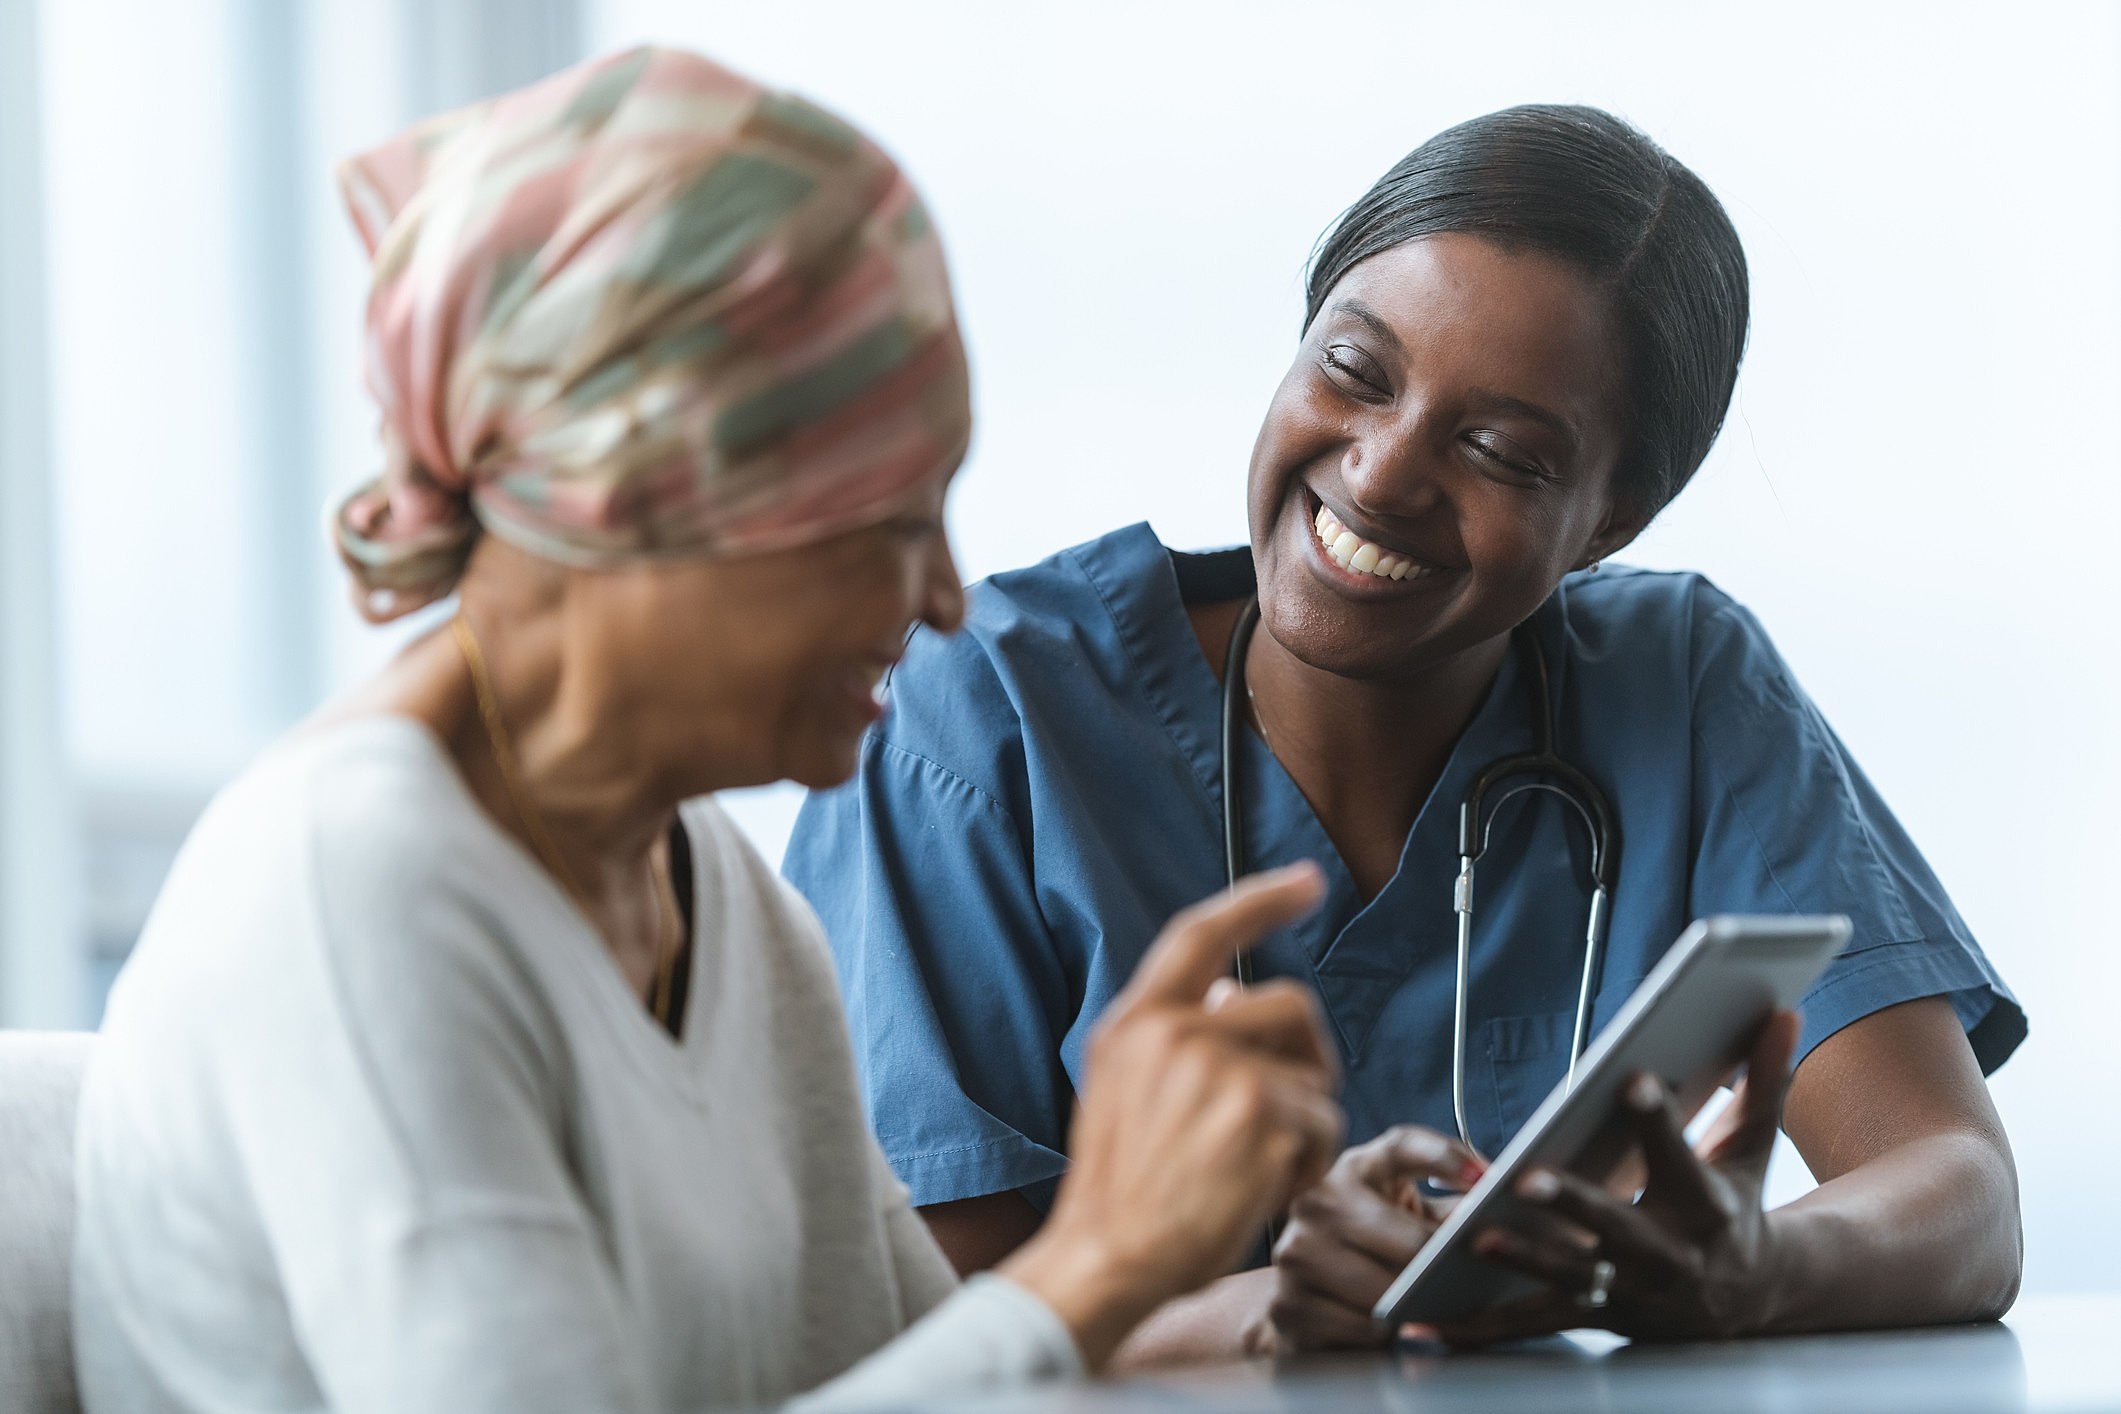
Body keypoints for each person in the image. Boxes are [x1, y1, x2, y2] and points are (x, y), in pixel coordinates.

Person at [70, 48, 1348, 1413]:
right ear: (635, 499)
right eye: (887, 524)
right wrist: (1096, 1249)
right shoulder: (349, 887)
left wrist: (1186, 1242)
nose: (936, 597)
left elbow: (945, 1377)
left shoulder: (726, 901)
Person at [783, 104, 2026, 1358]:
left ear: (1610, 524)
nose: (1380, 473)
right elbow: (920, 1332)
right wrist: (1276, 1309)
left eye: (1499, 449)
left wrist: (1750, 1269)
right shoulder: (976, 715)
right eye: (1355, 370)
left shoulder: (1684, 685)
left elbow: (1960, 1193)